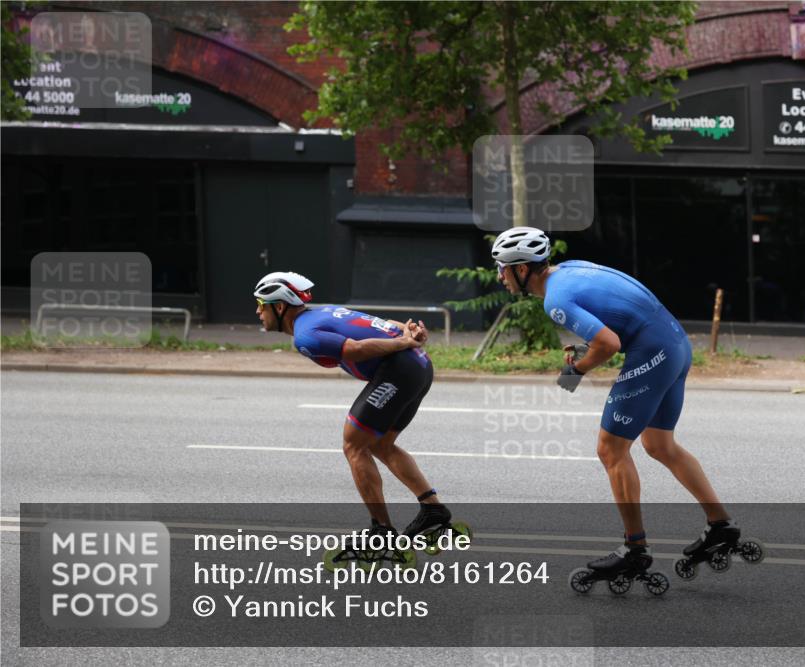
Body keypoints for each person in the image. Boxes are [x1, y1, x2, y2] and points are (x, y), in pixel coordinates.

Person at [490, 227, 743, 578]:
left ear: (521, 269)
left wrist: (576, 370)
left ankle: (634, 549)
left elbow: (608, 344)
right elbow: (619, 314)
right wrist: (586, 348)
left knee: (611, 450)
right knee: (660, 446)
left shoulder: (555, 300)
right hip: (675, 344)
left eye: (502, 268)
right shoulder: (570, 269)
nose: (499, 277)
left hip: (651, 352)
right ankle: (720, 524)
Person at [253, 271, 453, 551]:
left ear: (279, 306)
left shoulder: (305, 334)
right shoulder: (325, 311)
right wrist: (407, 331)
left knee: (353, 445)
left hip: (400, 369)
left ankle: (381, 530)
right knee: (381, 445)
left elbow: (356, 349)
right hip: (419, 367)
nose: (258, 311)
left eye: (261, 305)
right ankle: (432, 509)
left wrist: (404, 341)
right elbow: (385, 324)